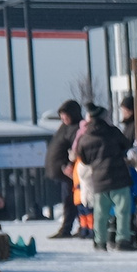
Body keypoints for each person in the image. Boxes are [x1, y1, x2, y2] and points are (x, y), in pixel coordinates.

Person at [76, 108, 137, 250]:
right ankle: (122, 240)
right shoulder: (113, 131)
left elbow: (83, 159)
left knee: (100, 213)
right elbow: (126, 145)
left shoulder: (84, 137)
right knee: (122, 210)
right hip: (118, 177)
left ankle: (100, 241)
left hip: (98, 179)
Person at [44, 101, 84, 238]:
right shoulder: (66, 127)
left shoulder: (77, 128)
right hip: (62, 172)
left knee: (72, 201)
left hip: (70, 173)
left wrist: (68, 165)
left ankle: (73, 227)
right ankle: (71, 227)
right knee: (68, 201)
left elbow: (76, 150)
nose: (63, 118)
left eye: (65, 115)